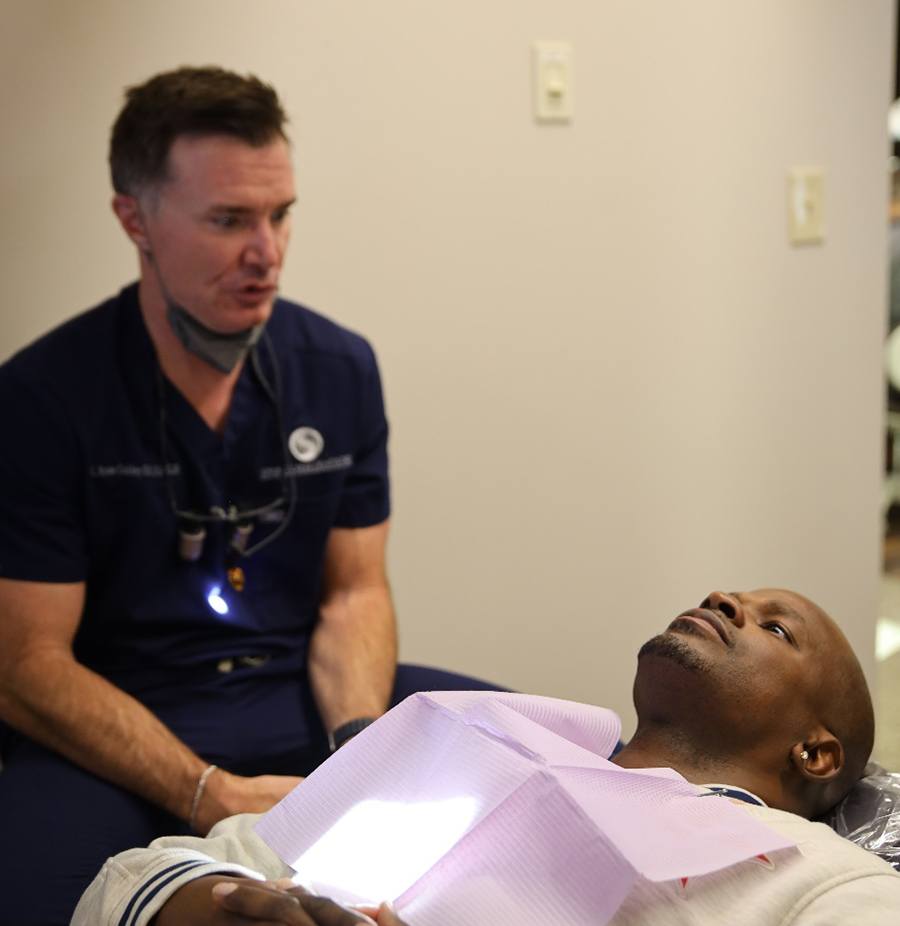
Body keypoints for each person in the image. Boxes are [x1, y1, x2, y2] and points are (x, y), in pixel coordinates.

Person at [0, 66, 397, 925]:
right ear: (134, 218)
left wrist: (359, 754)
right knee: (31, 894)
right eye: (228, 221)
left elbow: (354, 592)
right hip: (114, 728)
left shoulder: (340, 369)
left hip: (294, 691)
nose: (268, 252)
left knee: (519, 761)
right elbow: (26, 666)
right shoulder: (40, 399)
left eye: (280, 213)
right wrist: (204, 791)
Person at [73, 588, 900, 925]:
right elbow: (127, 882)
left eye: (775, 626)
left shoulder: (823, 880)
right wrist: (223, 907)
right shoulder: (469, 749)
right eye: (734, 596)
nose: (725, 598)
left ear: (817, 751)